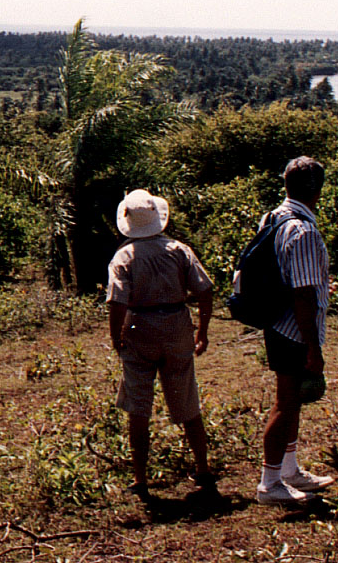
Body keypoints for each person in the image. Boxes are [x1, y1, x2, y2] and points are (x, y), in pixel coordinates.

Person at [106, 188, 217, 497]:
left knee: (138, 407)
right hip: (176, 325)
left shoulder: (123, 257)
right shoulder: (179, 250)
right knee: (187, 400)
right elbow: (205, 290)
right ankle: (203, 469)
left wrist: (117, 338)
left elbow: (117, 302)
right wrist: (203, 330)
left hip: (139, 326)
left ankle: (140, 479)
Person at [255, 156, 337, 505]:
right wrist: (312, 347)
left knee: (291, 401)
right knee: (285, 403)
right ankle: (269, 482)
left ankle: (289, 470)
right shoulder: (302, 229)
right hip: (294, 329)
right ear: (317, 190)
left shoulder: (273, 217)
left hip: (277, 322)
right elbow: (303, 292)